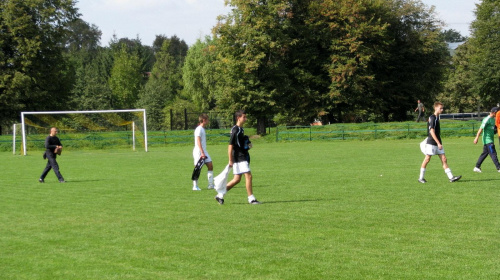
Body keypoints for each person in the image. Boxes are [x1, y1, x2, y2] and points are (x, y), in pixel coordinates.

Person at [215, 110, 260, 205]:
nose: (245, 119)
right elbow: (230, 145)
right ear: (238, 118)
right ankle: (251, 199)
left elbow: (239, 143)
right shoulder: (236, 130)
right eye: (244, 117)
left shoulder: (240, 129)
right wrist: (230, 159)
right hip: (239, 157)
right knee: (249, 176)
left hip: (239, 156)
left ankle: (220, 195)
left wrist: (246, 145)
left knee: (237, 179)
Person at [418, 102, 461, 183]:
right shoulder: (432, 118)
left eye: (442, 108)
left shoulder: (437, 117)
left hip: (438, 142)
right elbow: (432, 131)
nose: (442, 110)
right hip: (431, 143)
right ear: (436, 108)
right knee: (427, 159)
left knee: (444, 159)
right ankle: (421, 178)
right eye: (440, 108)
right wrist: (438, 143)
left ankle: (451, 177)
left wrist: (439, 142)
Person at [473, 107, 500, 172]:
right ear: (494, 112)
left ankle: (477, 167)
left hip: (490, 139)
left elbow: (493, 129)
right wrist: (477, 137)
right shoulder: (486, 119)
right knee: (493, 153)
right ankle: (499, 168)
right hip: (487, 140)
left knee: (484, 153)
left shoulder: (493, 120)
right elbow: (481, 128)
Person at [192, 114, 214, 191]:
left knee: (210, 165)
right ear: (204, 120)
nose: (208, 121)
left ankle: (211, 185)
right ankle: (195, 186)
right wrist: (202, 152)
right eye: (207, 119)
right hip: (199, 152)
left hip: (204, 151)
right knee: (197, 168)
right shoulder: (199, 129)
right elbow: (198, 141)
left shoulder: (202, 129)